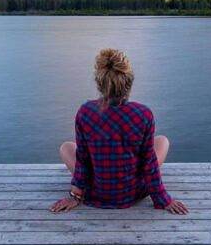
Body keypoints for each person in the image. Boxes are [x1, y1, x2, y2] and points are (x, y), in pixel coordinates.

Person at [51, 48, 189, 215]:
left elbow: (83, 160)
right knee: (162, 141)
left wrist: (75, 196)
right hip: (132, 193)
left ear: (100, 84)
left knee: (66, 147)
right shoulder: (143, 114)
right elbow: (149, 162)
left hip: (97, 192)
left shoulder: (85, 112)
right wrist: (163, 199)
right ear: (129, 82)